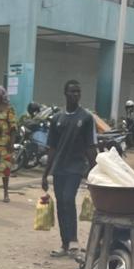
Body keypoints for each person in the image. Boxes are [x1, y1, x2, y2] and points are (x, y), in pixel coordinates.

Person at [41, 79, 97, 259]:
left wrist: (95, 170)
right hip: (59, 168)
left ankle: (73, 241)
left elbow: (90, 147)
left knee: (68, 199)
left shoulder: (86, 118)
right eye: (72, 92)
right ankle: (64, 244)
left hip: (75, 167)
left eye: (78, 92)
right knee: (60, 204)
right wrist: (45, 173)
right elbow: (52, 148)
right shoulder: (57, 118)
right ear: (65, 93)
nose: (75, 95)